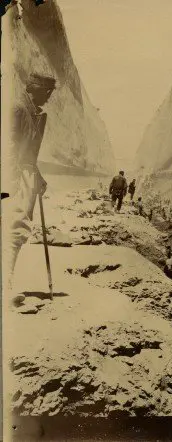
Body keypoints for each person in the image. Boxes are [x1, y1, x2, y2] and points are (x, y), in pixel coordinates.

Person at [3, 73, 55, 306]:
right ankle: (5, 286)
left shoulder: (35, 113)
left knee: (17, 229)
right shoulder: (17, 109)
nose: (49, 96)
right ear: (34, 88)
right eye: (47, 91)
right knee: (14, 228)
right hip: (15, 175)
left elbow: (29, 154)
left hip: (26, 174)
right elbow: (9, 146)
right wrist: (10, 178)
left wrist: (38, 176)